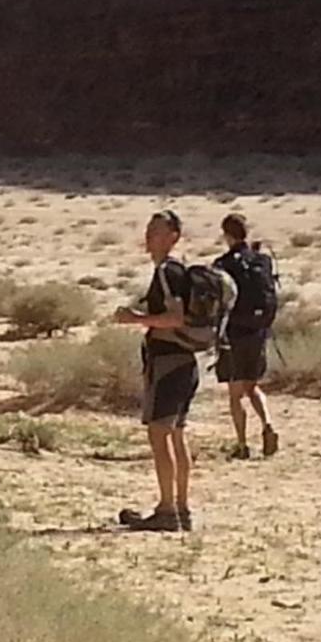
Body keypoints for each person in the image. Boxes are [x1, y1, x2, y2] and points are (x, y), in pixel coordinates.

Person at [113, 210, 198, 532]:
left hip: (169, 364)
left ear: (173, 236)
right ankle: (180, 507)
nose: (149, 236)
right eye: (149, 229)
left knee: (159, 435)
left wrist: (135, 319)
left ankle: (166, 510)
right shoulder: (176, 271)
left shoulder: (167, 272)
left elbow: (175, 318)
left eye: (157, 231)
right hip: (184, 363)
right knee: (176, 435)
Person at [214, 214, 279, 459]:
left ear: (227, 235)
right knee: (252, 386)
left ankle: (242, 445)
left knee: (234, 393)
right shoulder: (262, 260)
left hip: (233, 333)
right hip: (257, 331)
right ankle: (268, 425)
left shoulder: (223, 264)